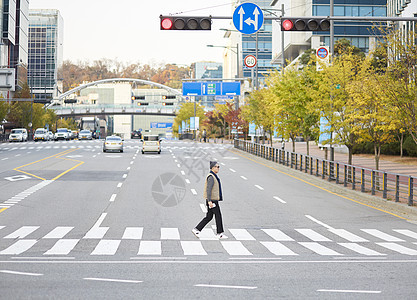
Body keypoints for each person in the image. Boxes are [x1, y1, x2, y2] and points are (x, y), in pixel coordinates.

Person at [192, 161, 228, 239]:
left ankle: (196, 229)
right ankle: (220, 233)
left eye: (219, 167)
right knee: (218, 215)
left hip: (212, 200)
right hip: (212, 200)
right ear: (213, 167)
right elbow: (209, 190)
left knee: (209, 216)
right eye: (217, 167)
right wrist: (209, 201)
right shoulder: (211, 177)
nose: (218, 168)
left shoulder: (213, 176)